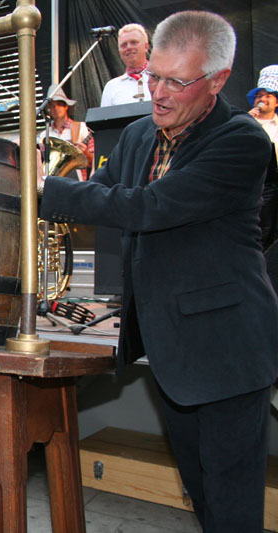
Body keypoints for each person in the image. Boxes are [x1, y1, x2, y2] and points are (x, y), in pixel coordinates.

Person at [40, 11, 277, 532]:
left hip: (229, 349)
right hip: (172, 351)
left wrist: (42, 192)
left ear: (217, 79)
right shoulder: (139, 135)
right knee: (201, 492)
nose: (160, 93)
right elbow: (102, 192)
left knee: (232, 510)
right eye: (155, 77)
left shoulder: (242, 140)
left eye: (177, 81)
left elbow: (149, 206)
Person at [246, 65, 278, 249]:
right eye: (259, 95)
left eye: (268, 96)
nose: (262, 99)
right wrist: (246, 121)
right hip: (249, 183)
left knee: (268, 228)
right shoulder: (244, 122)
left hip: (271, 186)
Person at [37, 85, 94, 180]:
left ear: (66, 106)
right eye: (52, 106)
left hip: (75, 182)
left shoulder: (81, 127)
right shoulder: (44, 134)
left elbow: (94, 161)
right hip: (51, 182)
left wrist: (85, 153)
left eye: (59, 104)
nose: (56, 108)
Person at [100, 23, 151, 107]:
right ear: (119, 52)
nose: (129, 47)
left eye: (134, 42)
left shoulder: (163, 79)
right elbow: (105, 115)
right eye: (124, 45)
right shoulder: (112, 87)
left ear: (146, 47)